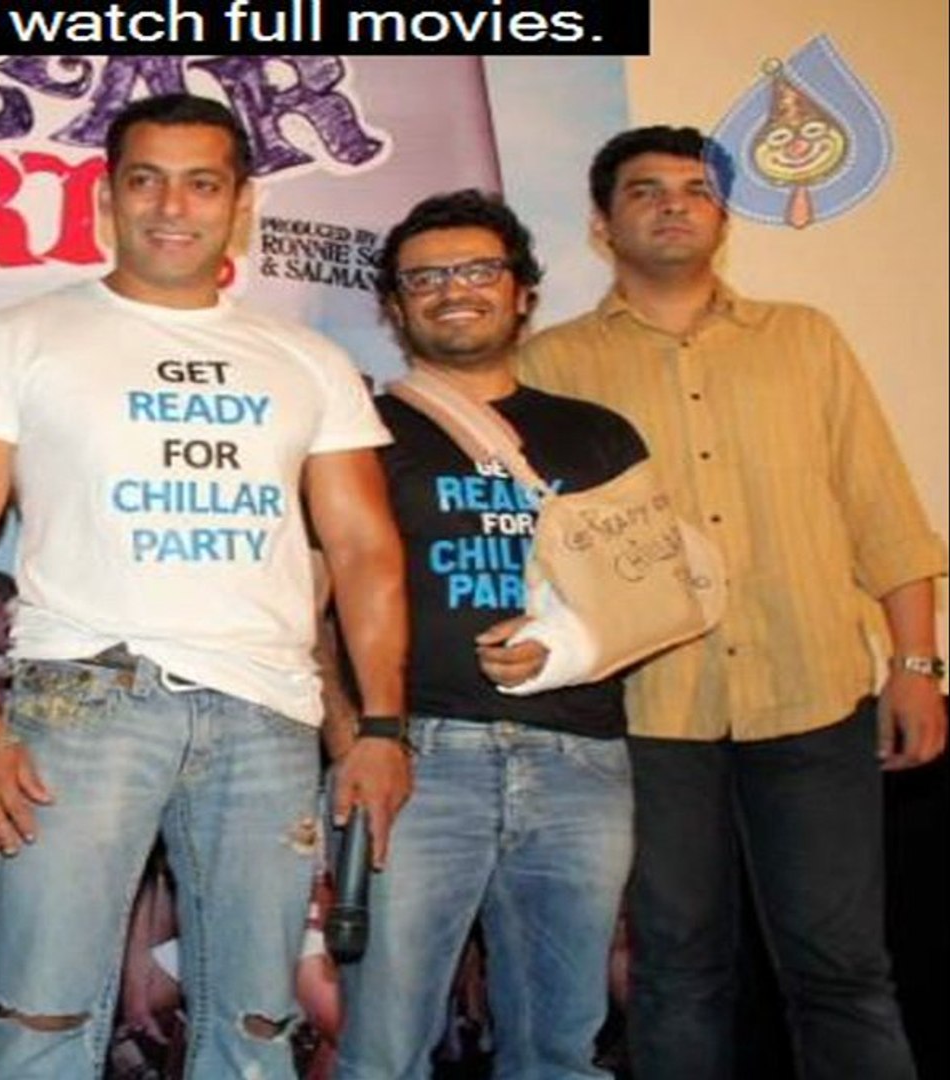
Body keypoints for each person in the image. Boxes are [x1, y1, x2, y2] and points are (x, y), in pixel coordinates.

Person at [0, 92, 411, 1078]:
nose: (172, 207)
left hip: (267, 716)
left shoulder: (309, 359)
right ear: (107, 198)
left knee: (258, 1032)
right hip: (82, 702)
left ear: (242, 204)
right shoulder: (18, 335)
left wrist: (382, 727)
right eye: (145, 181)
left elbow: (364, 549)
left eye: (201, 184)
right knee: (40, 1020)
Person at [521, 124, 947, 1079]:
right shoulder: (554, 365)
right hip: (650, 715)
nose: (674, 205)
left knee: (842, 969)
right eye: (645, 190)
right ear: (602, 224)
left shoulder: (804, 338)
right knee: (677, 970)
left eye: (696, 189)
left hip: (814, 694)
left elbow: (882, 508)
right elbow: (534, 551)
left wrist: (917, 665)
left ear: (721, 216)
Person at [335, 190, 646, 1079]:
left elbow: (655, 593)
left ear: (523, 293)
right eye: (424, 278)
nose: (453, 290)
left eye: (478, 270)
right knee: (382, 1052)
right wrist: (350, 737)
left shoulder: (599, 435)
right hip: (419, 760)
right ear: (395, 308)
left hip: (580, 763)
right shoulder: (356, 433)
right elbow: (314, 598)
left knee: (560, 1051)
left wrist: (573, 645)